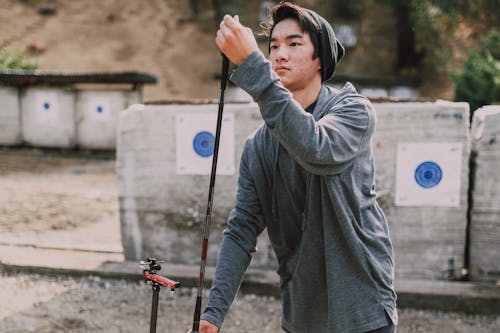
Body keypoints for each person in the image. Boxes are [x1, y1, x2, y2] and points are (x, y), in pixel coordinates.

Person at [199, 2, 397, 332]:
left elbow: (315, 147)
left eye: (294, 44)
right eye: (273, 46)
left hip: (364, 309)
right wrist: (213, 313)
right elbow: (242, 228)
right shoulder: (258, 146)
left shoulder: (354, 112)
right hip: (302, 313)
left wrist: (252, 66)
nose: (279, 55)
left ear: (321, 58)